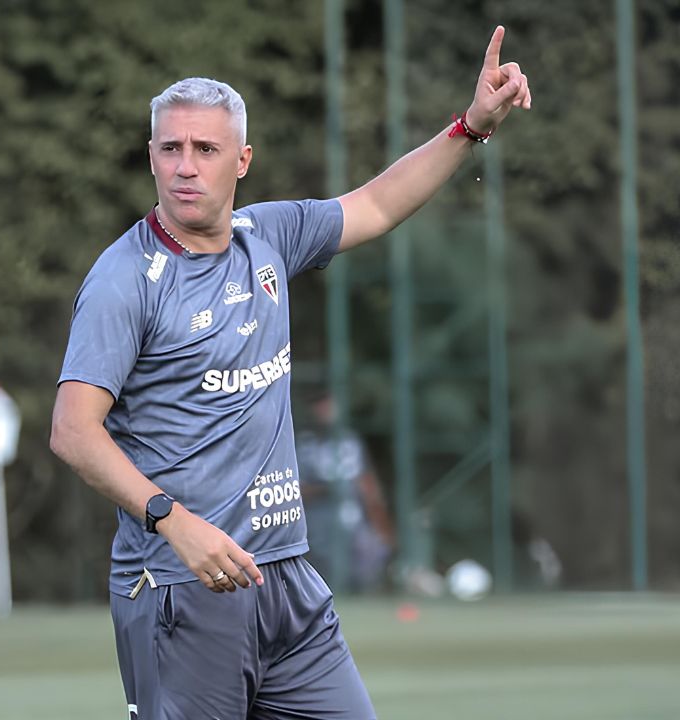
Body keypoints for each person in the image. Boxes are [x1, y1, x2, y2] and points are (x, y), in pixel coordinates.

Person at [50, 27, 529, 719]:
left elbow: (377, 204)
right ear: (150, 157)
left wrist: (469, 127)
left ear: (241, 160)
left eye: (206, 150)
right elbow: (72, 430)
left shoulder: (266, 236)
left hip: (287, 580)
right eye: (170, 148)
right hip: (182, 585)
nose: (186, 166)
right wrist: (172, 521)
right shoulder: (124, 281)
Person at [297, 390, 395, 594]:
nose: (326, 411)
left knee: (369, 559)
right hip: (315, 523)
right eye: (321, 405)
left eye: (330, 404)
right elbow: (296, 488)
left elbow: (368, 484)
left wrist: (381, 523)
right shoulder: (304, 443)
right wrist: (325, 488)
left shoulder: (351, 440)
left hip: (351, 518)